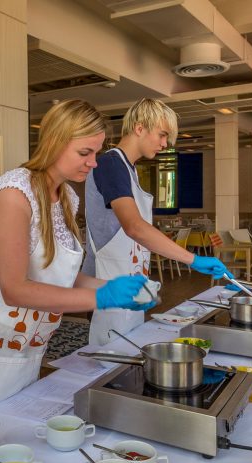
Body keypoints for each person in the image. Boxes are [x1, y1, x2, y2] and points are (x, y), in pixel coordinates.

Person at [0, 100, 154, 430]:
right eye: (85, 152)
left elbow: (63, 275)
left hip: (25, 342)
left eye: (96, 153)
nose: (93, 163)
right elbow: (14, 289)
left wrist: (120, 289)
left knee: (11, 433)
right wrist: (102, 297)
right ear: (56, 140)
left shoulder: (67, 197)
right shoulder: (14, 193)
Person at [83, 98, 231, 345]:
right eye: (162, 135)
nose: (165, 144)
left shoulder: (128, 169)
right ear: (139, 128)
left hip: (129, 281)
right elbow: (134, 227)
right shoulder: (110, 163)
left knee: (127, 350)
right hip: (107, 281)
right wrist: (192, 259)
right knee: (108, 358)